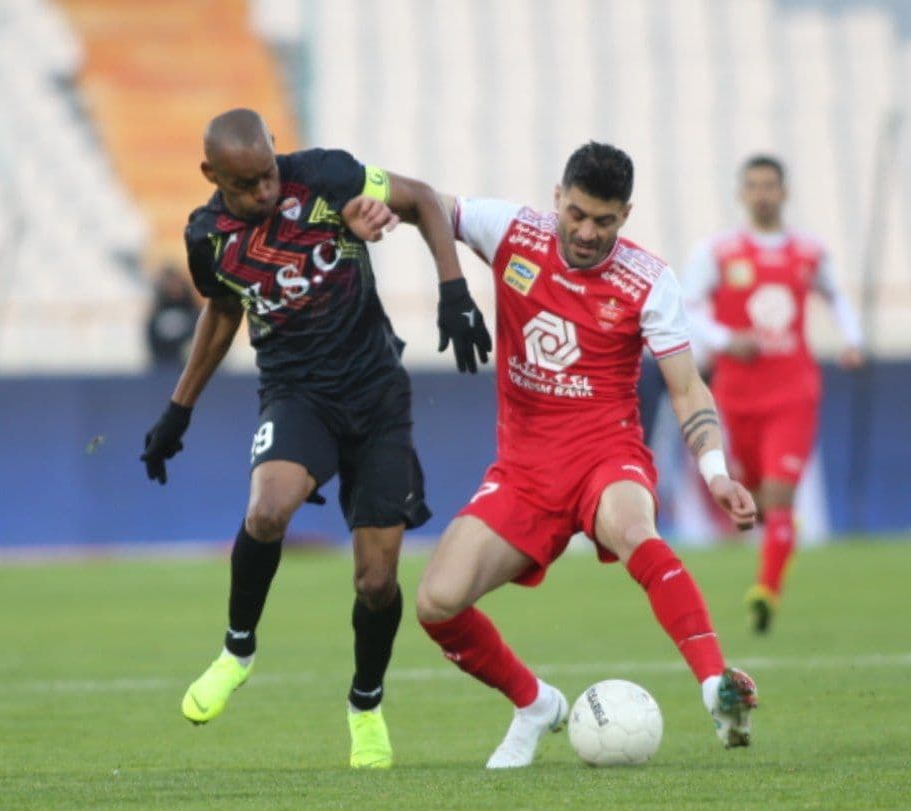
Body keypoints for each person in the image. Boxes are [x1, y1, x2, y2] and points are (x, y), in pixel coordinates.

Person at [139, 108, 490, 768]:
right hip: (297, 395)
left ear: (277, 149)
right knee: (268, 509)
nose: (264, 191)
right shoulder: (206, 236)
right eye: (245, 185)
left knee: (377, 581)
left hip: (376, 395)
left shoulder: (327, 175)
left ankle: (365, 704)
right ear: (211, 175)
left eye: (269, 173)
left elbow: (422, 201)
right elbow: (222, 308)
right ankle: (237, 649)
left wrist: (453, 290)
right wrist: (177, 410)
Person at [404, 141, 760, 770]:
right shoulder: (513, 232)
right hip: (523, 472)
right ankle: (536, 704)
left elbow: (686, 387)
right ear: (557, 200)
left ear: (626, 215)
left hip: (606, 454)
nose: (588, 232)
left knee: (633, 527)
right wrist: (372, 201)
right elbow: (427, 201)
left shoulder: (649, 280)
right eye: (577, 215)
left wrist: (716, 472)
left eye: (605, 221)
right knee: (436, 601)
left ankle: (714, 685)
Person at [682, 155, 864, 634]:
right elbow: (686, 307)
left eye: (770, 185)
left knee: (781, 495)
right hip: (737, 395)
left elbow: (836, 295)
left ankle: (766, 591)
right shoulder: (718, 251)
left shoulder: (808, 250)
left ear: (783, 192)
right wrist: (724, 340)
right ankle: (781, 534)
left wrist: (852, 338)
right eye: (754, 186)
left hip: (792, 391)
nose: (762, 193)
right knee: (758, 503)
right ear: (742, 194)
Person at [145, 263, 201, 369]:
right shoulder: (156, 316)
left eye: (176, 283)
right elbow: (153, 344)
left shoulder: (196, 314)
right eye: (170, 283)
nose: (174, 288)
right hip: (164, 368)